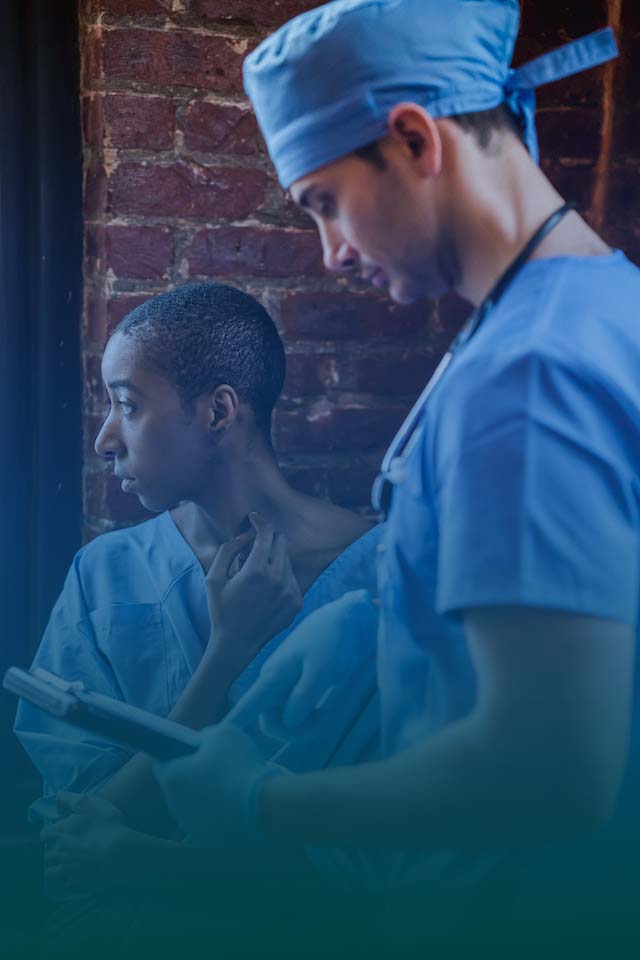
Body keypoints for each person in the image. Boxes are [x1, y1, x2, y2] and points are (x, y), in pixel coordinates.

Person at [152, 0, 640, 952]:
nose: (331, 252)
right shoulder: (605, 304)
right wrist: (373, 616)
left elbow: (547, 771)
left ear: (414, 138)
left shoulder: (526, 378)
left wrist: (261, 801)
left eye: (324, 203)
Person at [14, 281, 383, 956]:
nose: (103, 440)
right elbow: (80, 834)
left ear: (218, 411)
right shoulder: (103, 575)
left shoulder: (383, 578)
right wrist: (227, 653)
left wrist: (154, 865)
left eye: (127, 405)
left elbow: (396, 857)